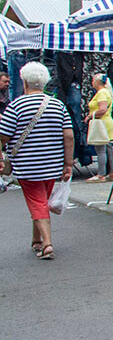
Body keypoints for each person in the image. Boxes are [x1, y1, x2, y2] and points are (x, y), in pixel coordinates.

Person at [0, 62, 73, 260]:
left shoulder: (16, 105)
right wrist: (67, 164)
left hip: (27, 166)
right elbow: (68, 136)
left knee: (38, 203)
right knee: (41, 202)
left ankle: (47, 244)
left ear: (24, 82)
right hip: (52, 164)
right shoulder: (58, 105)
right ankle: (36, 240)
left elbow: (3, 136)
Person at [84, 73, 113, 182]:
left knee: (101, 149)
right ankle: (112, 172)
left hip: (101, 123)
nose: (92, 82)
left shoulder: (101, 93)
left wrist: (90, 116)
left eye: (93, 80)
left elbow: (102, 109)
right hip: (107, 122)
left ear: (98, 82)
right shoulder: (107, 92)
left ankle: (101, 174)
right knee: (109, 148)